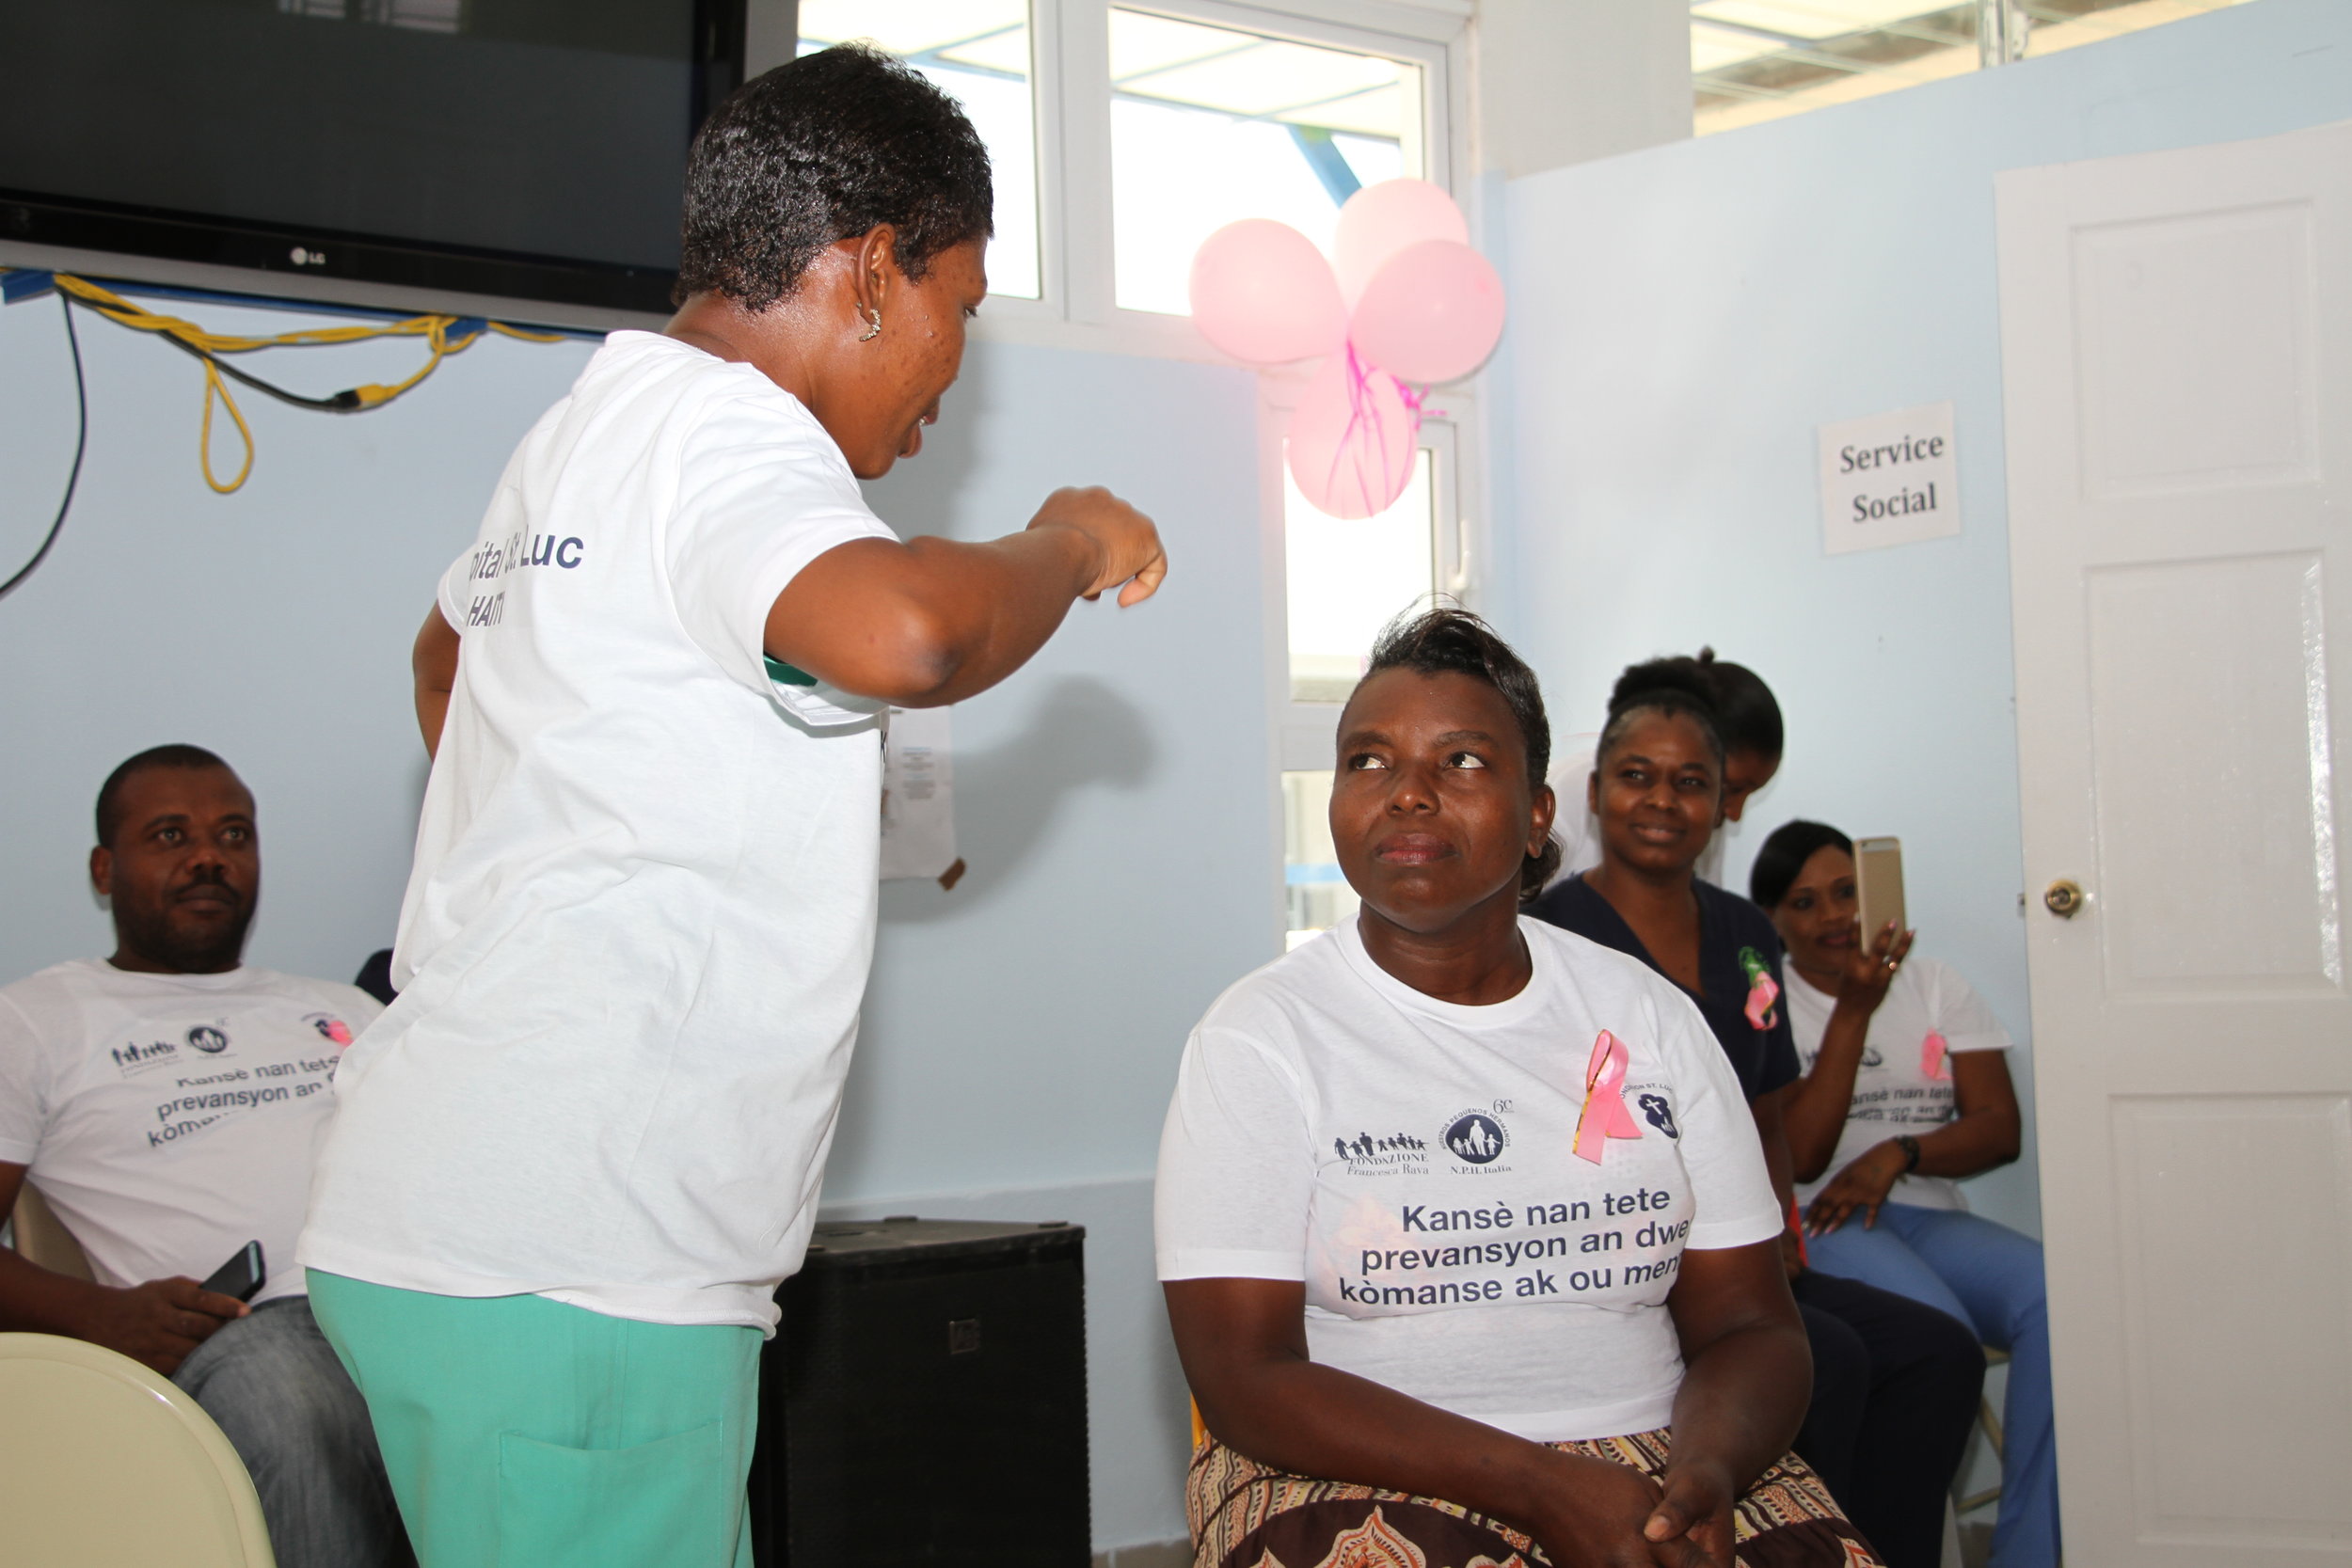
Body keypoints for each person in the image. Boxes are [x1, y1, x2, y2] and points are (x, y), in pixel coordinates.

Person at [296, 46, 1168, 1568]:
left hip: (462, 1216)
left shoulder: (592, 426)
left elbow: (450, 657)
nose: (955, 369)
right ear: (874, 270)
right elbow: (911, 635)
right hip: (577, 1255)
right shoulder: (730, 437)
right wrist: (1067, 539)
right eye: (961, 304)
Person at [1157, 609, 1878, 1568]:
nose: (1406, 793)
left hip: (1658, 1454)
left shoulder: (1652, 1018)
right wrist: (1540, 1484)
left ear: (1539, 812)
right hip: (1348, 1467)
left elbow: (1752, 1324)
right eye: (1367, 760)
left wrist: (1702, 1470)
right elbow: (1243, 1375)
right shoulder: (1259, 1038)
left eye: (1459, 761)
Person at [1524, 673, 1981, 1568]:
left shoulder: (1746, 934)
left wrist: (1777, 1231)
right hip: (1623, 1263)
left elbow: (1785, 1132)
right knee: (1834, 1360)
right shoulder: (1547, 935)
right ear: (1594, 792)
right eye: (1637, 775)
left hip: (1751, 1260)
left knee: (1938, 1352)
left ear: (1721, 805)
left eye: (1690, 781)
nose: (1662, 799)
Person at [0, 745, 409, 1568]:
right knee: (296, 1401)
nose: (208, 856)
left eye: (233, 833)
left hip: (412, 1302)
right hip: (254, 1330)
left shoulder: (342, 1006)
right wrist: (103, 1318)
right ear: (103, 869)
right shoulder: (37, 1018)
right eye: (169, 835)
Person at [1753, 820, 2055, 1568]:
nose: (1835, 916)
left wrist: (1898, 1151)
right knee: (1936, 1335)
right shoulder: (1768, 1000)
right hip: (1824, 1218)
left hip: (1925, 1210)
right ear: (1775, 922)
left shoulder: (1934, 983)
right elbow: (1806, 1154)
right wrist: (1855, 1006)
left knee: (2059, 1297)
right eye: (1805, 902)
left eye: (1848, 892)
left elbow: (1998, 1127)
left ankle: (2029, 1548)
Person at [1547, 650, 1783, 889]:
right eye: (1733, 789)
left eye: (1694, 784)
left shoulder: (1699, 817)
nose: (1735, 812)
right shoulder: (1565, 792)